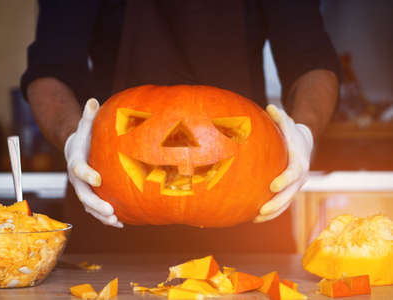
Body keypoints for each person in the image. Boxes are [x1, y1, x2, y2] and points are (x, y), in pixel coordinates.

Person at [21, 0, 340, 253]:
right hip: (109, 202)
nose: (180, 146)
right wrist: (72, 138)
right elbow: (51, 64)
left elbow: (310, 57)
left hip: (250, 211)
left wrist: (304, 134)